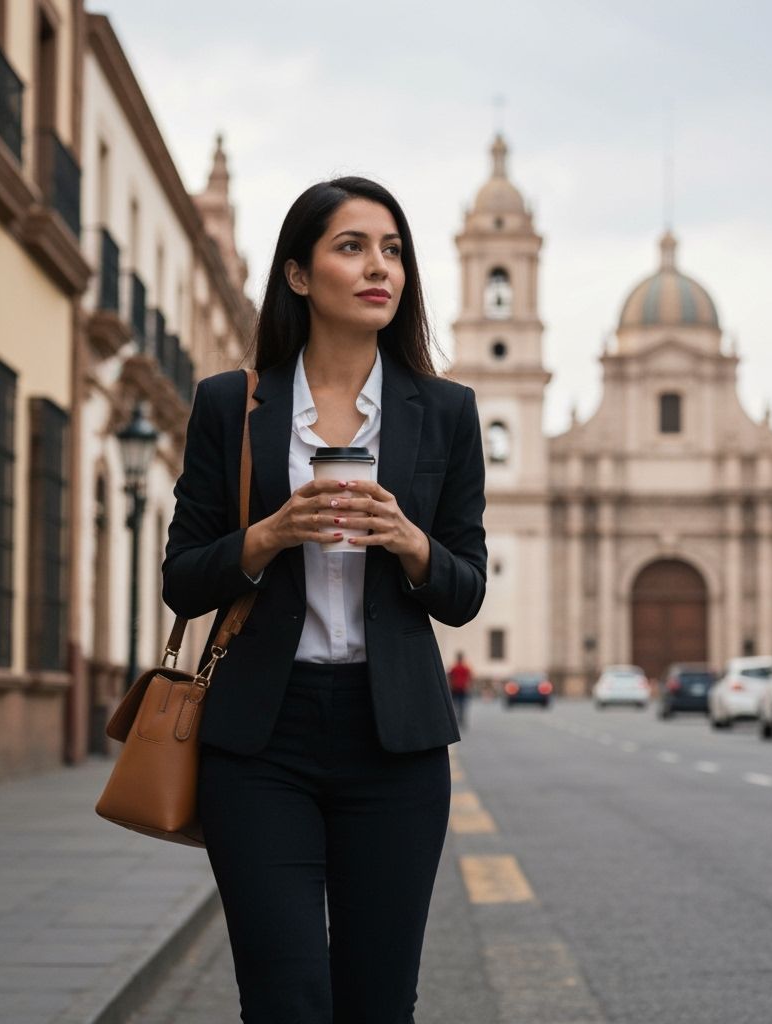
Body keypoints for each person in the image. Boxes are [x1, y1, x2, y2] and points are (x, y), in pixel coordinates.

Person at [162, 177, 486, 1023]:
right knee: (285, 996)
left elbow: (466, 590)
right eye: (352, 247)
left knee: (379, 1002)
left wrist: (413, 544)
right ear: (299, 275)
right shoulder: (232, 404)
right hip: (260, 742)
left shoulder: (446, 412)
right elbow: (183, 576)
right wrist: (268, 536)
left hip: (397, 743)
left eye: (393, 250)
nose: (380, 267)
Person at [447, 651, 473, 728]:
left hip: (455, 688)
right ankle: (461, 719)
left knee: (455, 705)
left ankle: (455, 720)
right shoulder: (465, 668)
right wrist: (469, 686)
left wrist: (450, 685)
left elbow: (449, 677)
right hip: (463, 688)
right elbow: (469, 678)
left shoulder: (454, 667)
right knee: (462, 705)